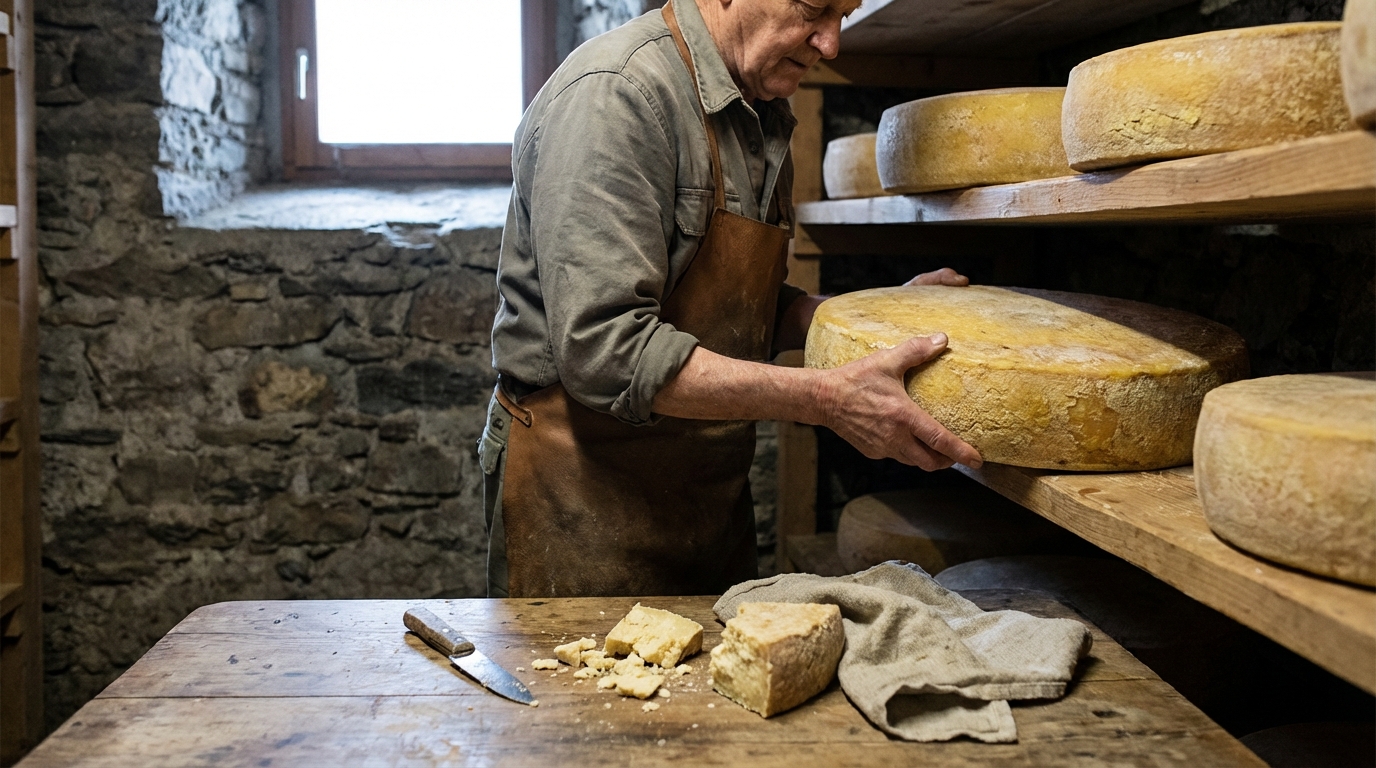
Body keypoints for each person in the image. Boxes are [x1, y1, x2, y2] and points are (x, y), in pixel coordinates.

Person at [480, 0, 982, 598]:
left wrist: (873, 318)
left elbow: (737, 309)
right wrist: (828, 399)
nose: (831, 45)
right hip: (584, 498)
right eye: (814, 10)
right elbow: (606, 351)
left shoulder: (759, 111)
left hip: (706, 500)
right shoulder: (617, 97)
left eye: (843, 16)